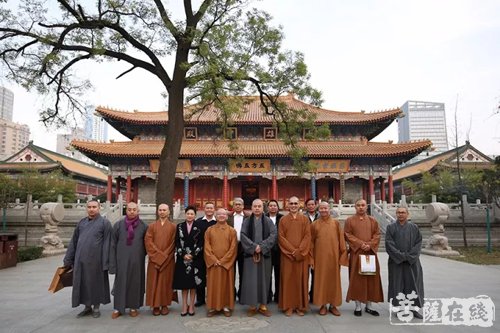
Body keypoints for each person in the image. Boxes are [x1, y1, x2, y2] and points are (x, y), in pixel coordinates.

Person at [63, 200, 112, 318]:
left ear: (99, 208)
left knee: (96, 284)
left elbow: (108, 243)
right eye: (89, 207)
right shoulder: (81, 223)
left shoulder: (105, 223)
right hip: (80, 260)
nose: (91, 209)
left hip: (96, 261)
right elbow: (74, 242)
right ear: (86, 208)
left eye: (94, 207)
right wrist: (68, 259)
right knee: (82, 283)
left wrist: (106, 262)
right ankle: (87, 307)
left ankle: (96, 307)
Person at [344, 199, 384, 317]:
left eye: (363, 205)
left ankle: (369, 306)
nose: (361, 207)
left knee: (370, 279)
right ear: (355, 207)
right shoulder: (349, 220)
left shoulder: (373, 220)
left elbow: (377, 234)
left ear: (366, 207)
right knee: (357, 279)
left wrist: (370, 245)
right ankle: (357, 306)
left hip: (370, 254)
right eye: (358, 205)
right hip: (357, 254)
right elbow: (347, 234)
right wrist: (361, 244)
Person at [109, 202, 148, 319]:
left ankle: (133, 307)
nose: (132, 211)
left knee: (135, 282)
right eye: (129, 209)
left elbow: (147, 245)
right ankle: (118, 308)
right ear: (126, 211)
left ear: (138, 211)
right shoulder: (118, 225)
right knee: (120, 282)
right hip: (121, 259)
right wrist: (112, 262)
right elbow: (112, 244)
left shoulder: (144, 226)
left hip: (137, 260)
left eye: (134, 209)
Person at [240, 199, 277, 317]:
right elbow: (243, 235)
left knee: (264, 279)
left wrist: (262, 247)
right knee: (251, 280)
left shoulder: (268, 221)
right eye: (255, 206)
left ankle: (263, 305)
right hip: (250, 256)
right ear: (251, 207)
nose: (257, 208)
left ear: (263, 208)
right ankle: (252, 305)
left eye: (259, 206)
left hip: (264, 255)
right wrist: (253, 247)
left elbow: (273, 235)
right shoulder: (246, 221)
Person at [310, 201, 348, 316]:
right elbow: (310, 243)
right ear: (318, 210)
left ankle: (333, 305)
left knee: (334, 282)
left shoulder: (336, 224)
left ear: (329, 209)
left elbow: (341, 241)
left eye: (325, 208)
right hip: (320, 258)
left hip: (334, 258)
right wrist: (311, 259)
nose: (323, 210)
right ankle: (323, 305)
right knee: (321, 282)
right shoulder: (314, 224)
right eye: (321, 208)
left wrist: (342, 256)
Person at [386, 207, 424, 319]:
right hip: (396, 262)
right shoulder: (391, 227)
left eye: (403, 212)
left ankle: (414, 309)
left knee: (413, 284)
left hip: (412, 262)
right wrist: (401, 256)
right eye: (398, 212)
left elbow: (418, 243)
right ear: (396, 214)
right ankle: (399, 308)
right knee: (397, 285)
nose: (400, 214)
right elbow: (389, 243)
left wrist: (410, 256)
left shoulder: (414, 227)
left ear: (407, 214)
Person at [278, 196, 311, 316]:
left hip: (301, 256)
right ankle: (288, 306)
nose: (293, 205)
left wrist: (299, 252)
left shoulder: (305, 219)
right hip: (287, 256)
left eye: (295, 203)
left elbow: (307, 237)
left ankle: (300, 306)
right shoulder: (283, 220)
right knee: (288, 280)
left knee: (300, 280)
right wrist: (292, 251)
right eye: (291, 203)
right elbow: (281, 238)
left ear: (299, 205)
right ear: (288, 205)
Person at [204, 208, 238, 317]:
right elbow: (207, 247)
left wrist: (223, 261)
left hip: (226, 264)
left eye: (224, 214)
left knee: (226, 285)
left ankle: (226, 306)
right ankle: (213, 307)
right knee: (213, 285)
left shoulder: (232, 231)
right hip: (213, 263)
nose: (222, 216)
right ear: (216, 216)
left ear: (227, 217)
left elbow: (233, 248)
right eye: (219, 214)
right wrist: (214, 260)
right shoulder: (209, 230)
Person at [144, 204, 176, 316]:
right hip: (154, 260)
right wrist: (159, 257)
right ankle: (155, 305)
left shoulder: (173, 227)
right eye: (160, 210)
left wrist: (164, 257)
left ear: (169, 212)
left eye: (164, 210)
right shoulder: (152, 226)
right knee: (154, 282)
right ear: (158, 211)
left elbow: (173, 244)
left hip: (168, 260)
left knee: (165, 282)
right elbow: (148, 243)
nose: (162, 212)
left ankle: (165, 304)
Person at [173, 205, 203, 316]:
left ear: (195, 215)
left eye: (192, 214)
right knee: (184, 284)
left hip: (195, 259)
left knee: (193, 284)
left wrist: (193, 255)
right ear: (185, 214)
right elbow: (176, 242)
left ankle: (191, 305)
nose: (190, 215)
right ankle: (184, 305)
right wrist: (183, 254)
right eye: (188, 213)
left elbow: (201, 243)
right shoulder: (179, 226)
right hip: (182, 259)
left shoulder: (199, 227)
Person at [194, 202, 216, 307]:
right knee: (200, 275)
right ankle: (200, 299)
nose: (209, 210)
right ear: (204, 209)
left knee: (212, 276)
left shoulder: (217, 222)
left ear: (214, 210)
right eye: (207, 208)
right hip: (200, 254)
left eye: (211, 208)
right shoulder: (198, 222)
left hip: (213, 254)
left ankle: (212, 298)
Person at [227, 197, 248, 300]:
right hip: (231, 247)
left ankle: (242, 293)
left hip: (244, 247)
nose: (238, 206)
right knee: (231, 272)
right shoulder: (228, 217)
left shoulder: (248, 217)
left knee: (243, 272)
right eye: (236, 204)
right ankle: (231, 293)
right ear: (233, 206)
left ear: (243, 206)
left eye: (240, 204)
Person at [266, 199, 283, 303]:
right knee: (267, 274)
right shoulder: (264, 218)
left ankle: (278, 296)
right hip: (267, 250)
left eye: (274, 205)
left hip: (279, 250)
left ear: (277, 207)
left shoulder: (282, 218)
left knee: (279, 274)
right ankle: (267, 295)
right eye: (271, 206)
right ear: (268, 208)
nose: (273, 207)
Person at [304, 198, 319, 302]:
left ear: (316, 205)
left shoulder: (320, 216)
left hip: (317, 250)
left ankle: (314, 295)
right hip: (305, 249)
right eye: (308, 204)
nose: (311, 206)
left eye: (312, 204)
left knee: (316, 274)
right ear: (306, 206)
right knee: (304, 274)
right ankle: (303, 296)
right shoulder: (302, 217)